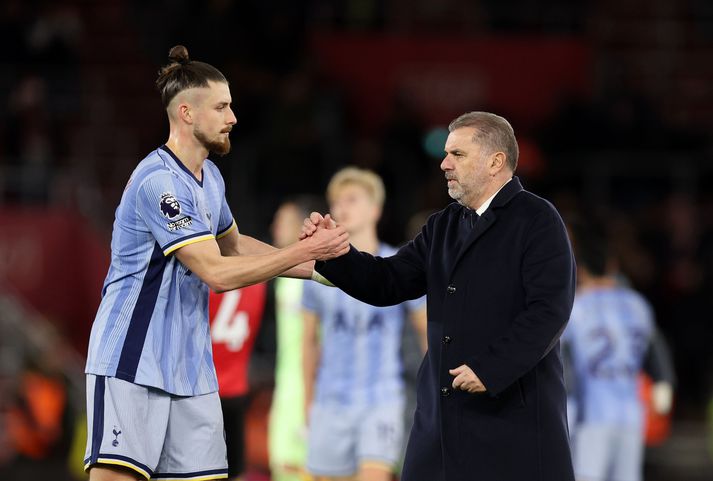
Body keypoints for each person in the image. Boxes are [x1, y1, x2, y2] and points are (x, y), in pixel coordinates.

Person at [83, 45, 349, 481]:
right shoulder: (159, 183)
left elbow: (234, 246)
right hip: (133, 363)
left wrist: (325, 270)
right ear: (186, 113)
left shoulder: (211, 178)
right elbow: (216, 272)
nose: (233, 118)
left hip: (191, 369)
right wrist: (302, 251)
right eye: (222, 107)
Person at [302, 111, 577, 481]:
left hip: (511, 419)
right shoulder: (444, 224)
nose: (445, 164)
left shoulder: (537, 219)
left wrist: (492, 368)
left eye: (457, 155)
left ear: (496, 161)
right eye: (446, 155)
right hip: (441, 423)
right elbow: (388, 281)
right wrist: (337, 254)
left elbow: (549, 311)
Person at [301, 168, 427, 481]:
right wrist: (308, 401)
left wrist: (434, 397)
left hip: (382, 399)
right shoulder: (317, 271)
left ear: (375, 209)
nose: (342, 208)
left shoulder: (397, 266)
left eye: (352, 199)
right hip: (330, 400)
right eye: (336, 201)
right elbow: (308, 342)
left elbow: (428, 333)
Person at [562, 220, 674, 481]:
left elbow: (561, 361)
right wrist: (664, 382)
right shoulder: (637, 304)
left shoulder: (575, 308)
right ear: (612, 267)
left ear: (582, 270)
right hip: (631, 413)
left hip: (589, 414)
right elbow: (655, 348)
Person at [267, 196, 326, 481]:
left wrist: (310, 401)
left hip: (307, 394)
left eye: (284, 221)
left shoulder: (317, 281)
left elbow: (318, 343)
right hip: (286, 391)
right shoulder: (281, 277)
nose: (275, 226)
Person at [209, 281, 269, 481]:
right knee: (234, 471)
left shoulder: (202, 281)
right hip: (236, 389)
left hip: (202, 392)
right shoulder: (258, 284)